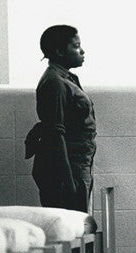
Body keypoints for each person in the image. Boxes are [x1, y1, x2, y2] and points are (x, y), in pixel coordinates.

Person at [25, 25, 96, 213]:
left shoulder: (65, 78)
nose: (82, 51)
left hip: (75, 166)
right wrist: (69, 182)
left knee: (77, 229)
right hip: (65, 170)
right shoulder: (55, 82)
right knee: (73, 230)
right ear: (59, 51)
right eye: (76, 46)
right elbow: (55, 134)